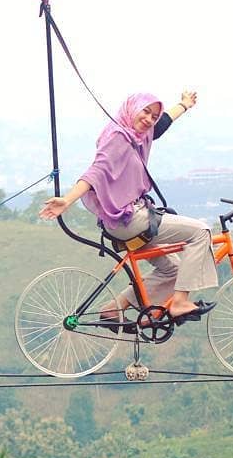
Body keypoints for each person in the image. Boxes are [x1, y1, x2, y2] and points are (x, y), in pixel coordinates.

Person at [38, 91, 217, 325]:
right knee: (201, 232)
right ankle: (180, 303)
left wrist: (184, 105)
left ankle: (115, 308)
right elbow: (97, 171)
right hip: (130, 219)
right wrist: (67, 200)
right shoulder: (118, 137)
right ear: (132, 108)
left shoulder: (137, 136)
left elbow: (161, 125)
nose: (149, 119)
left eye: (153, 115)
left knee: (172, 269)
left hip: (126, 219)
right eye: (145, 112)